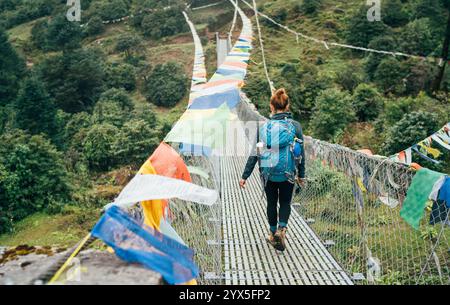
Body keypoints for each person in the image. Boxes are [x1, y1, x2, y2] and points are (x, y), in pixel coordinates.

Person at [239, 88, 306, 251]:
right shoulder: (295, 127)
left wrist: (244, 176)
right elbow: (300, 153)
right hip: (288, 172)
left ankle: (272, 232)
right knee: (284, 202)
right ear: (287, 106)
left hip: (268, 173)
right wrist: (301, 175)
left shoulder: (263, 128)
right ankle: (282, 230)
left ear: (271, 107)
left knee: (271, 202)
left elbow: (255, 153)